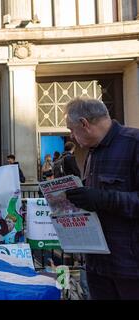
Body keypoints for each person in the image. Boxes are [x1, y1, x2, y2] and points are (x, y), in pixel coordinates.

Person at [63, 98, 139, 300]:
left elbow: (104, 199)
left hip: (130, 266)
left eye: (71, 129)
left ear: (84, 124)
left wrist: (102, 199)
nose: (71, 135)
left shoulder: (134, 143)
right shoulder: (93, 151)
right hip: (97, 263)